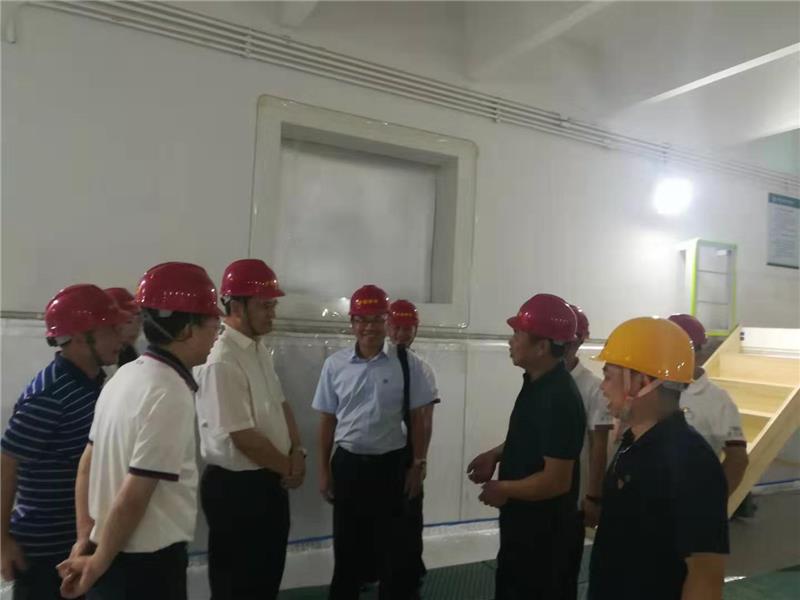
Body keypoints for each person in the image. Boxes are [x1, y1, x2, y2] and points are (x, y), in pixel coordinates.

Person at [57, 262, 222, 600]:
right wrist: (97, 564)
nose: (216, 336)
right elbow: (135, 494)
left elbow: (87, 464)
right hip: (144, 569)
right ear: (187, 329)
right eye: (213, 325)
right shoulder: (169, 392)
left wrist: (85, 539)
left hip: (107, 550)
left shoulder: (124, 375)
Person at [589, 317, 729, 600]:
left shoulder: (691, 463)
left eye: (609, 376)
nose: (602, 387)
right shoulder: (634, 443)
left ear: (642, 382)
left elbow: (705, 578)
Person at [0, 284, 125, 600]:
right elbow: (6, 464)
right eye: (111, 330)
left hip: (79, 545)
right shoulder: (49, 395)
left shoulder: (94, 384)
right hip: (45, 554)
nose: (120, 338)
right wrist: (2, 541)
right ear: (82, 338)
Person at [312, 285, 436, 600]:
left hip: (391, 467)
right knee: (347, 544)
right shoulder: (335, 365)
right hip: (348, 465)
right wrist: (323, 470)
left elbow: (419, 419)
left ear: (386, 321)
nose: (369, 327)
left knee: (394, 547)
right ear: (352, 323)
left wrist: (418, 464)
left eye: (377, 319)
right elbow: (327, 420)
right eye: (361, 320)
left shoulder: (408, 364)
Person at [195, 259, 306, 599]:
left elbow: (281, 404)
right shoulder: (222, 359)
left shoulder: (257, 349)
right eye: (264, 306)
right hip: (237, 491)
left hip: (268, 481)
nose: (272, 313)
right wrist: (288, 467)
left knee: (265, 580)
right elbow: (242, 437)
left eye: (273, 305)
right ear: (237, 306)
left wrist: (298, 451)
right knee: (238, 587)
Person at [467, 293, 585, 600]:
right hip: (524, 526)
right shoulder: (537, 384)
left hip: (544, 538)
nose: (511, 341)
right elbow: (532, 438)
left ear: (542, 346)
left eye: (518, 334)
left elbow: (557, 480)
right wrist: (496, 454)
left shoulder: (559, 398)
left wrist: (503, 488)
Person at [356, 299, 438, 589]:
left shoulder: (421, 369)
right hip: (378, 453)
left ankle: (410, 572)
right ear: (387, 327)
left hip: (407, 453)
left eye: (408, 328)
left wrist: (420, 461)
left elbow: (425, 419)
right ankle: (369, 570)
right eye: (397, 327)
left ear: (416, 330)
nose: (402, 334)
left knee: (409, 515)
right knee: (370, 516)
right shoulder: (371, 364)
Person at [668, 314, 749, 498]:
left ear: (699, 354)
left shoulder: (717, 400)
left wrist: (712, 502)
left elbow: (737, 459)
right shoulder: (655, 388)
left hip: (690, 501)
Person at [104, 288, 143, 368]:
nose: (136, 326)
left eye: (138, 317)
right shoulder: (100, 361)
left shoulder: (135, 350)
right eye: (128, 320)